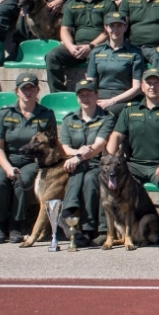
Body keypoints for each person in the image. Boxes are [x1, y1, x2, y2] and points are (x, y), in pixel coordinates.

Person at [105, 67, 159, 247]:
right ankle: (106, 231)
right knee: (104, 177)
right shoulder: (130, 110)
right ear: (142, 87)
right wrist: (111, 160)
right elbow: (115, 136)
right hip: (133, 164)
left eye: (157, 82)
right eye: (149, 83)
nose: (153, 86)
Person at [0, 71, 58, 244]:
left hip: (32, 161)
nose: (27, 92)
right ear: (17, 91)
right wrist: (8, 168)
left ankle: (16, 225)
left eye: (31, 88)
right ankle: (0, 225)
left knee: (23, 181)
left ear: (37, 90)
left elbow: (51, 145)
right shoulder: (5, 113)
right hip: (5, 159)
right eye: (23, 89)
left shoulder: (46, 114)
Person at [58, 76, 112, 245]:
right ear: (76, 98)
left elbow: (98, 145)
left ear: (97, 95)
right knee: (78, 170)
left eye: (89, 94)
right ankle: (69, 213)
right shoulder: (69, 119)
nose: (85, 98)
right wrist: (77, 155)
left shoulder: (106, 117)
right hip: (74, 162)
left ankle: (87, 227)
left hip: (98, 162)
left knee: (89, 178)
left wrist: (79, 157)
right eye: (81, 95)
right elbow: (64, 147)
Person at [46, 0, 116, 92]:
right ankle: (58, 95)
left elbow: (109, 31)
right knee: (52, 55)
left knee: (97, 57)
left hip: (99, 47)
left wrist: (90, 46)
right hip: (77, 47)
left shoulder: (108, 3)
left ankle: (96, 94)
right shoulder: (71, 3)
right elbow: (65, 29)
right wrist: (71, 47)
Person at [87, 14, 146, 113]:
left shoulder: (135, 52)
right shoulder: (97, 51)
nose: (115, 29)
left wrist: (112, 101)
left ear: (125, 27)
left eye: (119, 25)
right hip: (101, 96)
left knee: (107, 114)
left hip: (124, 98)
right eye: (112, 26)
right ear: (106, 27)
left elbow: (137, 88)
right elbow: (90, 83)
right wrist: (93, 100)